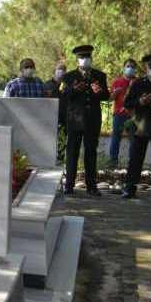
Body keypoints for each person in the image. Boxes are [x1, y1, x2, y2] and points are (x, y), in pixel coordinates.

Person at [62, 44, 110, 196]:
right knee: (72, 153)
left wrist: (99, 92)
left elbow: (106, 96)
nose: (85, 60)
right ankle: (69, 185)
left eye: (87, 57)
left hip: (92, 120)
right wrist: (75, 89)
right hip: (74, 120)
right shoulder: (69, 76)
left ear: (91, 58)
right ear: (77, 59)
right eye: (82, 57)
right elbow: (64, 95)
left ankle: (91, 186)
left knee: (91, 152)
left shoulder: (99, 75)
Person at [122, 54, 151, 199]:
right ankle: (130, 187)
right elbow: (127, 103)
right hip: (141, 125)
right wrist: (140, 101)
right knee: (135, 158)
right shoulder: (138, 83)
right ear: (145, 68)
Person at [109, 58, 139, 165]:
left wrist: (132, 86)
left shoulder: (138, 82)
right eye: (128, 66)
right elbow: (110, 99)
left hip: (132, 115)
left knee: (134, 140)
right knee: (115, 138)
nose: (130, 68)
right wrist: (115, 93)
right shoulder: (117, 82)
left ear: (135, 69)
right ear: (124, 68)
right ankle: (113, 161)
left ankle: (133, 163)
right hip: (119, 115)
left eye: (132, 67)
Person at [44, 62, 68, 162]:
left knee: (62, 141)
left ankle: (61, 160)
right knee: (49, 140)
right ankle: (47, 159)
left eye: (63, 70)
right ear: (55, 71)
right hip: (50, 117)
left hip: (64, 118)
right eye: (59, 69)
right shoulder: (47, 84)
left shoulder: (67, 85)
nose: (61, 72)